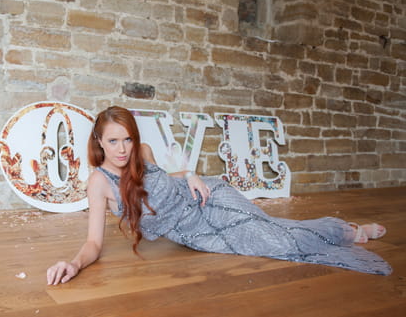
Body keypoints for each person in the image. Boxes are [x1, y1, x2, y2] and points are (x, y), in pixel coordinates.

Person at [47, 106, 391, 285]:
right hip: (196, 232)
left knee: (270, 229)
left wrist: (194, 175)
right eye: (112, 141)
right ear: (99, 142)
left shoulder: (144, 151)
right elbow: (93, 243)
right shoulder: (100, 182)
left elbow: (169, 178)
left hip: (210, 197)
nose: (122, 149)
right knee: (273, 243)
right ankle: (341, 231)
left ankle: (346, 231)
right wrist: (74, 264)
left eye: (127, 139)